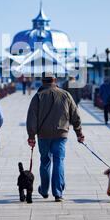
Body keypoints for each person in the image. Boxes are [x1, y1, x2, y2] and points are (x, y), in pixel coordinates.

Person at [26, 71, 85, 202]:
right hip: (61, 133)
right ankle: (58, 193)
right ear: (55, 80)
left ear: (42, 81)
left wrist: (31, 136)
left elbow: (31, 118)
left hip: (43, 135)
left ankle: (44, 190)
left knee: (45, 161)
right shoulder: (66, 95)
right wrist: (79, 134)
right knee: (59, 161)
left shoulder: (38, 97)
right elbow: (76, 115)